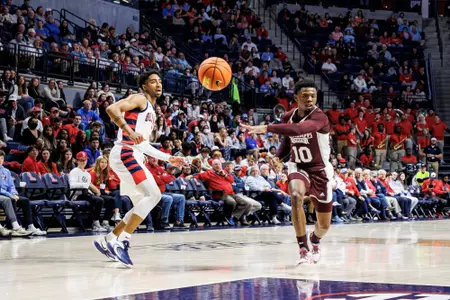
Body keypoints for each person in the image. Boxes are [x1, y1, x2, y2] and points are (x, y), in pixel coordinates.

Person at [93, 70, 186, 267]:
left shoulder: (150, 109)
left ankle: (109, 239)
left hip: (133, 153)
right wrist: (128, 130)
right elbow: (111, 109)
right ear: (144, 86)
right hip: (126, 153)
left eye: (160, 81)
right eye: (153, 81)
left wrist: (169, 158)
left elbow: (142, 144)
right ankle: (123, 242)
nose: (158, 84)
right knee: (154, 196)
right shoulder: (140, 98)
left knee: (143, 203)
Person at [241, 79, 333, 265]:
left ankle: (314, 240)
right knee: (296, 196)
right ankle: (303, 248)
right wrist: (279, 157)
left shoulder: (320, 117)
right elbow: (289, 140)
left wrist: (266, 127)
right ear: (296, 97)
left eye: (313, 96)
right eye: (305, 95)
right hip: (298, 166)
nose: (309, 99)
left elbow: (300, 129)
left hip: (320, 170)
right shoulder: (288, 116)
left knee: (323, 225)